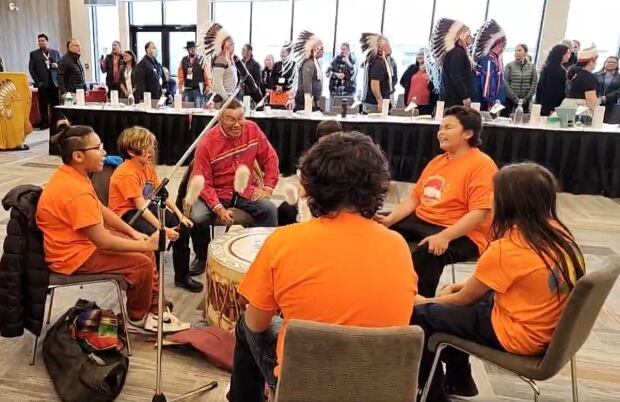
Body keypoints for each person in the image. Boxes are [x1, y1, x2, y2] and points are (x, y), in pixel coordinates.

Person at [228, 131, 417, 402]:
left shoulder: (284, 241)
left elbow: (256, 324)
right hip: (378, 387)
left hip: (305, 385)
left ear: (312, 185)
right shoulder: (397, 245)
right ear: (376, 185)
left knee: (245, 327)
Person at [412, 162, 585, 401]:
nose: (490, 198)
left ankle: (432, 394)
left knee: (420, 314)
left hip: (518, 334)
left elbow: (464, 299)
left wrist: (425, 300)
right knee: (449, 305)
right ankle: (459, 381)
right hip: (544, 326)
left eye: (494, 193)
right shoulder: (559, 233)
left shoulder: (507, 248)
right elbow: (510, 281)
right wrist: (458, 291)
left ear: (510, 202)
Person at [36, 124, 190, 333]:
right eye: (98, 148)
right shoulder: (75, 190)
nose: (104, 152)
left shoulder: (74, 175)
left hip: (80, 245)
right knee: (142, 264)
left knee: (145, 252)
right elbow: (102, 240)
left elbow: (100, 209)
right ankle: (138, 317)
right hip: (73, 256)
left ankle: (153, 307)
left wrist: (132, 233)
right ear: (78, 156)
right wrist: (144, 243)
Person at [380, 106, 497, 298]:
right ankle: (382, 287)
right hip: (424, 221)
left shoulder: (482, 165)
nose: (441, 133)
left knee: (429, 252)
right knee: (373, 228)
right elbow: (415, 198)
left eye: (448, 128)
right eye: (440, 128)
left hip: (464, 232)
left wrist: (445, 237)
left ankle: (418, 306)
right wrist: (389, 220)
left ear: (468, 133)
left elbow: (479, 213)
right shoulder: (437, 161)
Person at [189, 99, 279, 272]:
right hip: (216, 192)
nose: (238, 124)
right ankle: (202, 257)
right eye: (231, 119)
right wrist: (218, 208)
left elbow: (270, 157)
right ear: (220, 118)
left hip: (246, 190)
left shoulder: (252, 129)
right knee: (197, 216)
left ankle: (262, 257)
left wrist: (268, 187)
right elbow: (202, 181)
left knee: (269, 209)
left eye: (241, 118)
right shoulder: (206, 143)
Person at [108, 127, 202, 293]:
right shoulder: (126, 174)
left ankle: (182, 276)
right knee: (156, 240)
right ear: (131, 151)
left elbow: (163, 195)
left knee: (184, 229)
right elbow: (141, 208)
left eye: (150, 146)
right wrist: (163, 229)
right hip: (127, 215)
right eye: (144, 148)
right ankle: (154, 288)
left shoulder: (147, 167)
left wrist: (180, 217)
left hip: (146, 207)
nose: (149, 151)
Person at [428, 19, 474, 108]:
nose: (471, 38)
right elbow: (455, 75)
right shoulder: (457, 53)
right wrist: (465, 96)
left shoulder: (455, 52)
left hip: (452, 99)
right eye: (469, 35)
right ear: (462, 36)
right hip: (454, 100)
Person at [471, 20, 506, 111]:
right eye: (503, 44)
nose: (503, 47)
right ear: (498, 44)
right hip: (483, 102)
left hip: (492, 101)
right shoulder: (487, 60)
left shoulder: (496, 58)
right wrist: (491, 102)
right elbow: (487, 83)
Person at [29, 33, 61, 129]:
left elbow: (61, 66)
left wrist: (57, 66)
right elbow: (32, 69)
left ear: (47, 41)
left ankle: (55, 122)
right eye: (39, 41)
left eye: (43, 41)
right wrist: (38, 82)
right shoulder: (34, 54)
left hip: (54, 82)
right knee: (43, 104)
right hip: (42, 83)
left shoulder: (55, 53)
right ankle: (44, 122)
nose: (41, 42)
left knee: (55, 104)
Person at [203, 23, 238, 103]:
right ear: (226, 46)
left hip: (229, 97)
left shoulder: (229, 59)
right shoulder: (220, 60)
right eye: (232, 44)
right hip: (222, 100)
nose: (234, 46)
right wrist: (227, 100)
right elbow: (217, 85)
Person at [361, 34, 394, 113]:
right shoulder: (377, 62)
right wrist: (380, 101)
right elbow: (375, 83)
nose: (390, 47)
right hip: (375, 104)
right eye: (387, 45)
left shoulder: (378, 60)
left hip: (374, 102)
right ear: (381, 47)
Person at [536, 44, 571, 116]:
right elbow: (552, 91)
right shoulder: (554, 70)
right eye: (567, 53)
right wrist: (552, 108)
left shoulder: (551, 66)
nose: (569, 55)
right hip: (551, 106)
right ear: (561, 54)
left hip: (548, 105)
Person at [293, 31, 324, 111]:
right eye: (321, 48)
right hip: (304, 100)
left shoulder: (315, 62)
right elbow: (307, 85)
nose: (323, 51)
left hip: (312, 99)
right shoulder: (309, 64)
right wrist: (309, 103)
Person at [503, 44, 537, 114]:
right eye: (515, 51)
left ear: (526, 53)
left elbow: (534, 84)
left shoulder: (532, 67)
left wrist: (525, 99)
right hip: (510, 100)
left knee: (523, 121)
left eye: (519, 50)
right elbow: (506, 83)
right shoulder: (509, 66)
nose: (516, 53)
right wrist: (515, 99)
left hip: (525, 101)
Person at [400, 48, 436, 115]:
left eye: (422, 54)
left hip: (426, 104)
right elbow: (402, 81)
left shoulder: (432, 70)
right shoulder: (412, 68)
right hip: (411, 103)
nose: (420, 56)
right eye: (418, 54)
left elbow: (436, 87)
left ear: (428, 56)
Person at [565, 44, 600, 113]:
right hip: (580, 112)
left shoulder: (575, 73)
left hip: (567, 108)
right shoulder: (588, 77)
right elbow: (592, 102)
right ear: (592, 61)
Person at [178, 41, 211, 108]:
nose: (193, 50)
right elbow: (180, 74)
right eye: (191, 49)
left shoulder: (201, 59)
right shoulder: (183, 60)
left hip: (199, 89)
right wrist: (180, 86)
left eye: (194, 48)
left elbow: (207, 74)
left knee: (198, 109)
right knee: (186, 108)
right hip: (187, 89)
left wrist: (208, 86)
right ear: (188, 50)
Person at [269, 43, 294, 109]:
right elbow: (271, 78)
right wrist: (274, 87)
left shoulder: (293, 65)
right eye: (281, 52)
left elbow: (293, 80)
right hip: (276, 93)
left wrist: (283, 88)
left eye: (283, 52)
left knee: (286, 112)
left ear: (288, 53)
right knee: (274, 111)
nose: (282, 54)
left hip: (287, 93)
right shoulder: (276, 64)